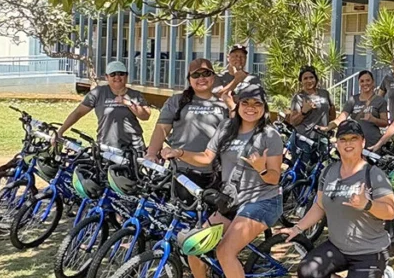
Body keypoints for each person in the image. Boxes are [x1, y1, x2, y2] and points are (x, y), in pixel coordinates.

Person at [161, 84, 284, 278]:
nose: (251, 108)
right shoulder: (228, 128)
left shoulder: (270, 136)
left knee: (225, 250)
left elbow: (273, 178)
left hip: (263, 201)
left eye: (257, 104)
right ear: (238, 105)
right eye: (246, 103)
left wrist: (261, 168)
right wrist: (179, 152)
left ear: (264, 109)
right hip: (233, 201)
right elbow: (207, 157)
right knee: (193, 245)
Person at [280, 119, 394, 278]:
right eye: (343, 139)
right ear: (337, 143)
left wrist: (366, 204)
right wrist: (297, 228)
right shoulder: (328, 171)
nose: (348, 143)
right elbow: (319, 206)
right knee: (306, 271)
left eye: (354, 138)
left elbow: (391, 211)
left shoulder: (374, 174)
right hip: (337, 247)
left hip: (369, 251)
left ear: (363, 142)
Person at [147, 59, 228, 189]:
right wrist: (151, 153)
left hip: (217, 172)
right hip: (182, 171)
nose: (201, 78)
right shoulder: (177, 101)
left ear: (213, 77)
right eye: (196, 75)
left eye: (206, 74)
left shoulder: (224, 104)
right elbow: (162, 129)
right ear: (189, 79)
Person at [57, 61, 151, 153]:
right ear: (106, 77)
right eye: (113, 74)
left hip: (133, 147)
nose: (117, 77)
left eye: (121, 74)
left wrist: (128, 103)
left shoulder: (135, 95)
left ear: (126, 76)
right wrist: (60, 132)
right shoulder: (98, 93)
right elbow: (78, 113)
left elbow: (145, 116)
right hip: (107, 146)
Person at [332, 70, 388, 147]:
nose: (365, 83)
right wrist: (329, 126)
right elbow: (342, 117)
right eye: (362, 81)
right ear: (359, 83)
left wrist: (373, 119)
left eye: (368, 80)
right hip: (355, 142)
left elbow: (385, 123)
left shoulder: (380, 101)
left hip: (373, 143)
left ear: (373, 82)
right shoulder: (353, 100)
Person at [287, 65, 336, 134]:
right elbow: (293, 122)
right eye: (305, 78)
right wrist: (303, 112)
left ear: (316, 79)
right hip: (304, 138)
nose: (309, 81)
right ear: (301, 81)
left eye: (311, 77)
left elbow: (332, 114)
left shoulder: (325, 93)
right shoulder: (298, 97)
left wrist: (327, 127)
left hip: (322, 137)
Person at [213, 43, 260, 108]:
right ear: (228, 58)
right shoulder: (218, 77)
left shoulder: (253, 79)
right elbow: (215, 96)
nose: (239, 59)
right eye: (235, 56)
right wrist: (236, 81)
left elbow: (257, 99)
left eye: (242, 56)